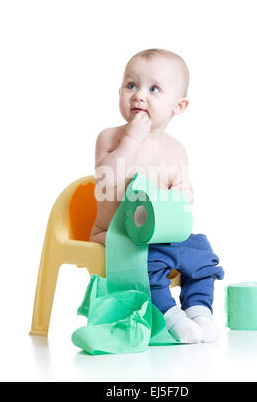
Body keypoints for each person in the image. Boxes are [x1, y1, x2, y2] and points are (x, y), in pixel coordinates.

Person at [90, 49, 224, 343]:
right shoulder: (110, 138)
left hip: (162, 236)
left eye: (154, 89)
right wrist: (132, 139)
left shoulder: (176, 149)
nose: (139, 96)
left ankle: (198, 309)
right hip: (118, 236)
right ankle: (170, 316)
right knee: (146, 265)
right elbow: (106, 180)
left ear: (179, 105)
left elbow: (184, 193)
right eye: (131, 85)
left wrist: (183, 192)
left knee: (203, 254)